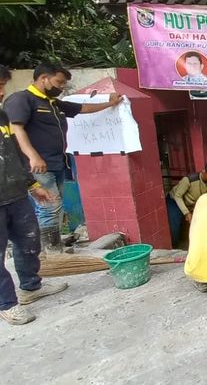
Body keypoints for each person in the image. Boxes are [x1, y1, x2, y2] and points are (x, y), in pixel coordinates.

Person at [3, 63, 123, 252]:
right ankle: (51, 251)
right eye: (58, 82)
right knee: (50, 206)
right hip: (37, 166)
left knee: (52, 207)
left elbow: (83, 108)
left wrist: (110, 102)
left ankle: (48, 247)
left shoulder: (53, 103)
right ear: (44, 78)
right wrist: (33, 156)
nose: (61, 88)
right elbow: (15, 128)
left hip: (56, 163)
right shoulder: (23, 99)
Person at [0, 65, 68, 326]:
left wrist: (31, 185)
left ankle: (31, 287)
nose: (3, 92)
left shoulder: (2, 118)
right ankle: (7, 303)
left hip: (16, 193)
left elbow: (14, 154)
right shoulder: (22, 102)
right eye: (0, 87)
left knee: (28, 243)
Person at [166, 161, 207, 248]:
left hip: (192, 203)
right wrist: (186, 213)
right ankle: (175, 247)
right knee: (174, 225)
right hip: (175, 201)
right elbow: (177, 196)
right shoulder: (189, 179)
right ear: (203, 172)